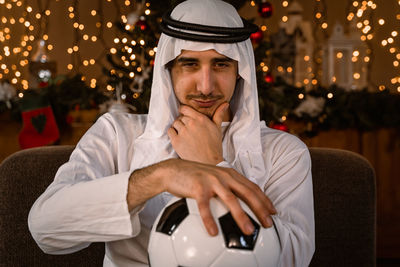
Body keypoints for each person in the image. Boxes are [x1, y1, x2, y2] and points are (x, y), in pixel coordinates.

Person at [28, 0, 315, 266]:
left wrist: (214, 163)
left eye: (221, 64)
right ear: (168, 69)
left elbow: (294, 259)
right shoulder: (116, 134)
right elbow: (46, 229)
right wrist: (162, 175)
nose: (205, 86)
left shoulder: (283, 152)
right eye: (189, 63)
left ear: (240, 71)